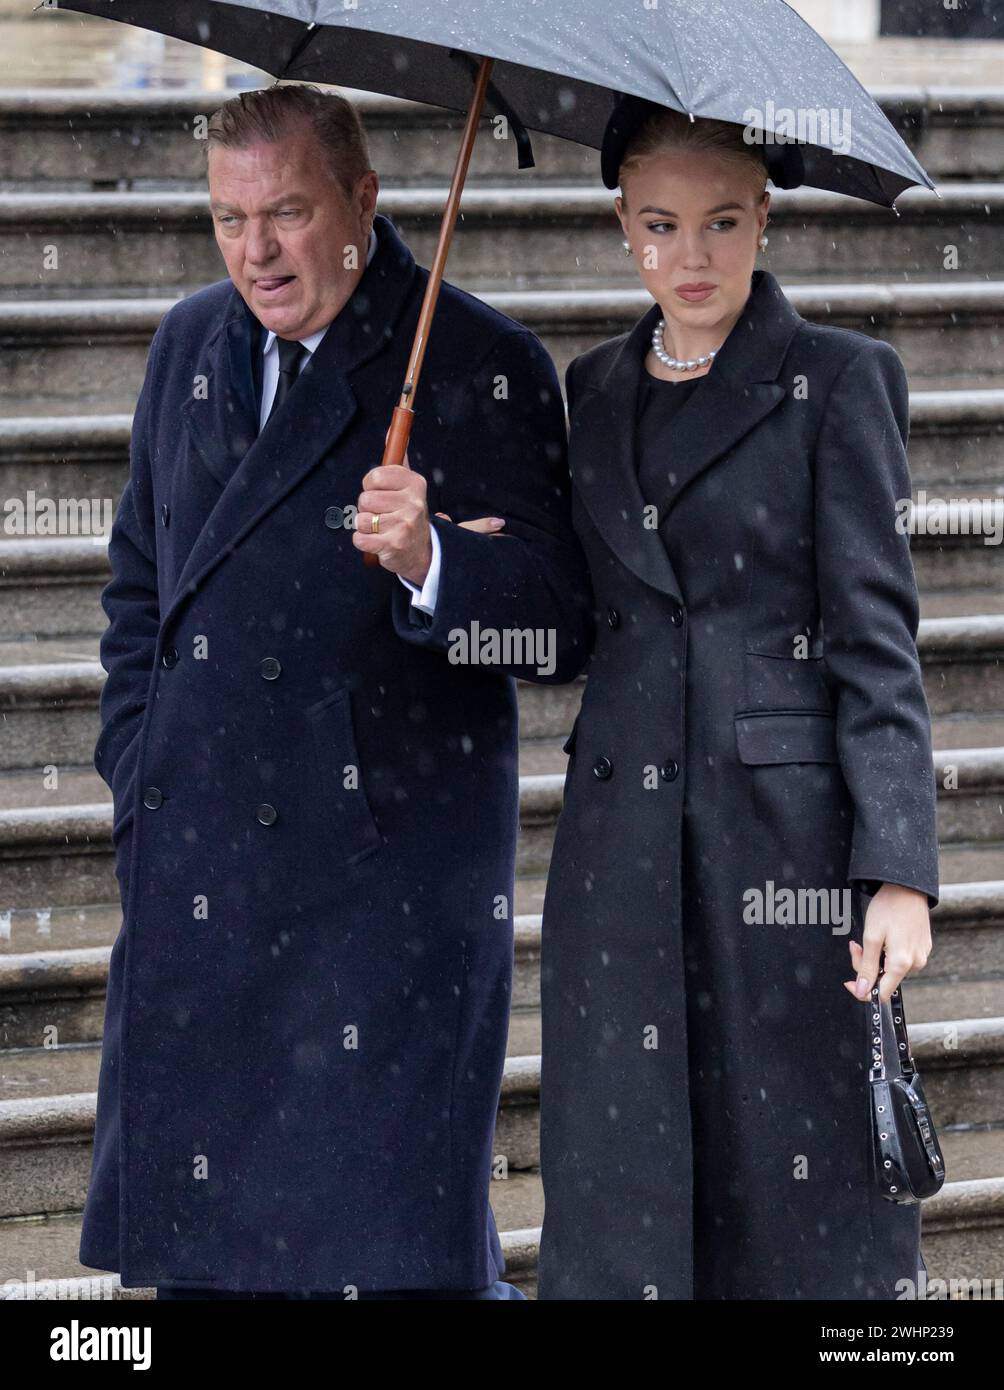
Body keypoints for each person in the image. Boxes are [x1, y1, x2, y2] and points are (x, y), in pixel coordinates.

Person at [79, 82, 592, 1299]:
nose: (254, 251)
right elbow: (137, 594)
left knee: (381, 1259)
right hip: (203, 873)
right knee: (205, 1266)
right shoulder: (186, 345)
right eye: (227, 218)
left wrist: (435, 562)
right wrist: (138, 775)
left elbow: (558, 627)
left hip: (380, 901)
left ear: (363, 201)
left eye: (289, 213)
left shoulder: (478, 364)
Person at [537, 98, 939, 1301]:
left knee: (792, 1198)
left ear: (763, 216)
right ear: (622, 227)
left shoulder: (837, 381)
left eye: (720, 221)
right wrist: (432, 554)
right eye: (659, 224)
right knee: (624, 1177)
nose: (692, 256)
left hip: (782, 845)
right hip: (617, 849)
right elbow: (568, 624)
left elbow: (877, 642)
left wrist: (898, 869)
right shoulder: (592, 387)